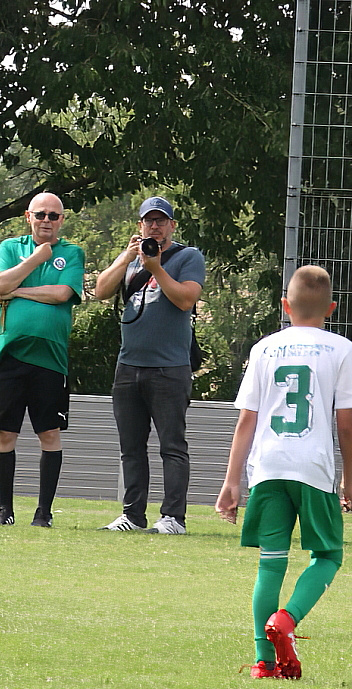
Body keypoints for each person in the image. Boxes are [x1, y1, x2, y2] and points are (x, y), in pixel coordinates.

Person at [215, 265, 352, 680]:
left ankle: (264, 663)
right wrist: (349, 479)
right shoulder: (341, 349)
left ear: (285, 305)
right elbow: (346, 423)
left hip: (267, 466)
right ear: (331, 308)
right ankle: (287, 619)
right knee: (329, 555)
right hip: (313, 467)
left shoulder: (264, 348)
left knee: (270, 565)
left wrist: (231, 481)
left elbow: (247, 420)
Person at [94, 196, 205, 534]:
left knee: (172, 446)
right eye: (149, 221)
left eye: (161, 221)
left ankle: (173, 517)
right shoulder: (133, 259)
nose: (155, 226)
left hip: (169, 367)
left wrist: (156, 268)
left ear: (172, 225)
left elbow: (186, 299)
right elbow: (100, 291)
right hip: (129, 365)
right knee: (131, 447)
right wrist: (128, 257)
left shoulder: (188, 256)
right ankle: (132, 514)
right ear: (140, 225)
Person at [0, 191, 85, 528]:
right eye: (40, 214)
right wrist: (36, 259)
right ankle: (4, 510)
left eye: (53, 216)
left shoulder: (72, 253)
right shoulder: (11, 248)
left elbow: (63, 293)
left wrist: (17, 291)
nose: (46, 221)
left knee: (50, 434)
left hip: (50, 359)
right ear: (28, 217)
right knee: (5, 434)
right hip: (8, 355)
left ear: (62, 220)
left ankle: (43, 513)